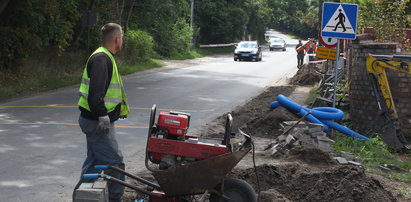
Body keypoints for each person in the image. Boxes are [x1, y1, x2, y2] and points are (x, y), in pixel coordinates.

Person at [73, 22, 130, 202]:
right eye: (122, 38)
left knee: (93, 164)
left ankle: (80, 198)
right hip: (98, 122)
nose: (122, 41)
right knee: (115, 163)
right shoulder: (101, 59)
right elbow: (95, 94)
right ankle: (114, 199)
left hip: (95, 121)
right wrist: (103, 115)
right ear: (117, 39)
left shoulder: (104, 56)